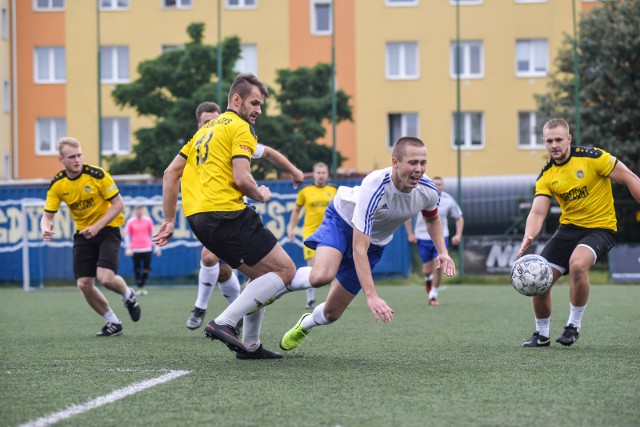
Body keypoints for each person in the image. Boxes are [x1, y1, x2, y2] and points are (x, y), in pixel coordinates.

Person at [154, 73, 310, 359]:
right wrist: (261, 194)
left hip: (198, 218)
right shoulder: (241, 128)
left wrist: (169, 219)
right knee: (285, 271)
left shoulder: (203, 131)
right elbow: (241, 178)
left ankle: (250, 345)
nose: (258, 111)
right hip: (226, 212)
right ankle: (224, 322)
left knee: (260, 275)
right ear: (236, 99)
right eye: (254, 103)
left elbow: (170, 173)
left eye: (261, 105)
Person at [278, 136, 457, 352]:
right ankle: (276, 282)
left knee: (331, 314)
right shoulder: (375, 185)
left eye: (423, 163)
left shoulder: (428, 190)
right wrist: (371, 295)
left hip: (375, 243)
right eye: (412, 162)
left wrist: (443, 252)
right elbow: (358, 247)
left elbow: (432, 219)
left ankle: (306, 323)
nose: (418, 169)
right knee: (321, 276)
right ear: (395, 162)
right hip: (343, 220)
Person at [517, 118, 640, 348]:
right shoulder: (546, 175)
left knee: (577, 265)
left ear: (569, 139)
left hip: (600, 228)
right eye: (549, 141)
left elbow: (630, 179)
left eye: (559, 140)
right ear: (544, 143)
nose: (554, 145)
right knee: (538, 276)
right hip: (569, 229)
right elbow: (537, 212)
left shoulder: (594, 158)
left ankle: (573, 326)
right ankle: (542, 335)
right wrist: (529, 235)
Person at [185, 101, 305, 330]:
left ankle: (231, 322)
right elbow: (171, 174)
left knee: (223, 267)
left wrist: (293, 170)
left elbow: (267, 152)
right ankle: (225, 317)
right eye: (206, 122)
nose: (212, 124)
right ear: (198, 125)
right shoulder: (197, 147)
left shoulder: (227, 135)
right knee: (236, 269)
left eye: (215, 120)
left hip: (230, 212)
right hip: (215, 214)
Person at [41, 137, 141, 337]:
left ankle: (127, 294)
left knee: (105, 278)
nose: (77, 160)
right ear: (61, 160)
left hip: (108, 229)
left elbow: (118, 205)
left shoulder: (97, 175)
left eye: (79, 155)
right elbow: (47, 216)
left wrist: (97, 226)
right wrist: (46, 227)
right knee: (84, 284)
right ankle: (113, 322)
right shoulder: (58, 184)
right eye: (71, 157)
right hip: (83, 234)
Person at [405, 176, 463, 305]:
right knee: (427, 269)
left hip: (441, 237)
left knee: (439, 267)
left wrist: (458, 235)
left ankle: (433, 295)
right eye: (435, 183)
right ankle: (428, 279)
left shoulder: (448, 200)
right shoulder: (421, 196)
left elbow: (459, 217)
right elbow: (407, 216)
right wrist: (410, 234)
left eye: (440, 184)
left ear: (443, 186)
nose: (438, 186)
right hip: (422, 237)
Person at [287, 162, 337, 309]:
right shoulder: (305, 190)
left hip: (330, 231)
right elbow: (296, 211)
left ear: (327, 174)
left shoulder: (334, 189)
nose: (321, 175)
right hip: (311, 232)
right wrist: (291, 228)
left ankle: (335, 299)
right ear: (314, 174)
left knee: (335, 265)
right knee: (312, 265)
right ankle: (310, 300)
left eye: (323, 173)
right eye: (318, 172)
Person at [124, 205, 161, 296]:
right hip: (135, 249)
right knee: (137, 269)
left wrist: (156, 246)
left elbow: (153, 233)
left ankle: (141, 285)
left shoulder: (148, 220)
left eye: (140, 209)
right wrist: (128, 248)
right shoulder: (130, 221)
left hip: (147, 248)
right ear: (135, 211)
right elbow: (127, 235)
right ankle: (139, 287)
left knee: (146, 269)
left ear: (143, 210)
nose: (139, 211)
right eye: (137, 209)